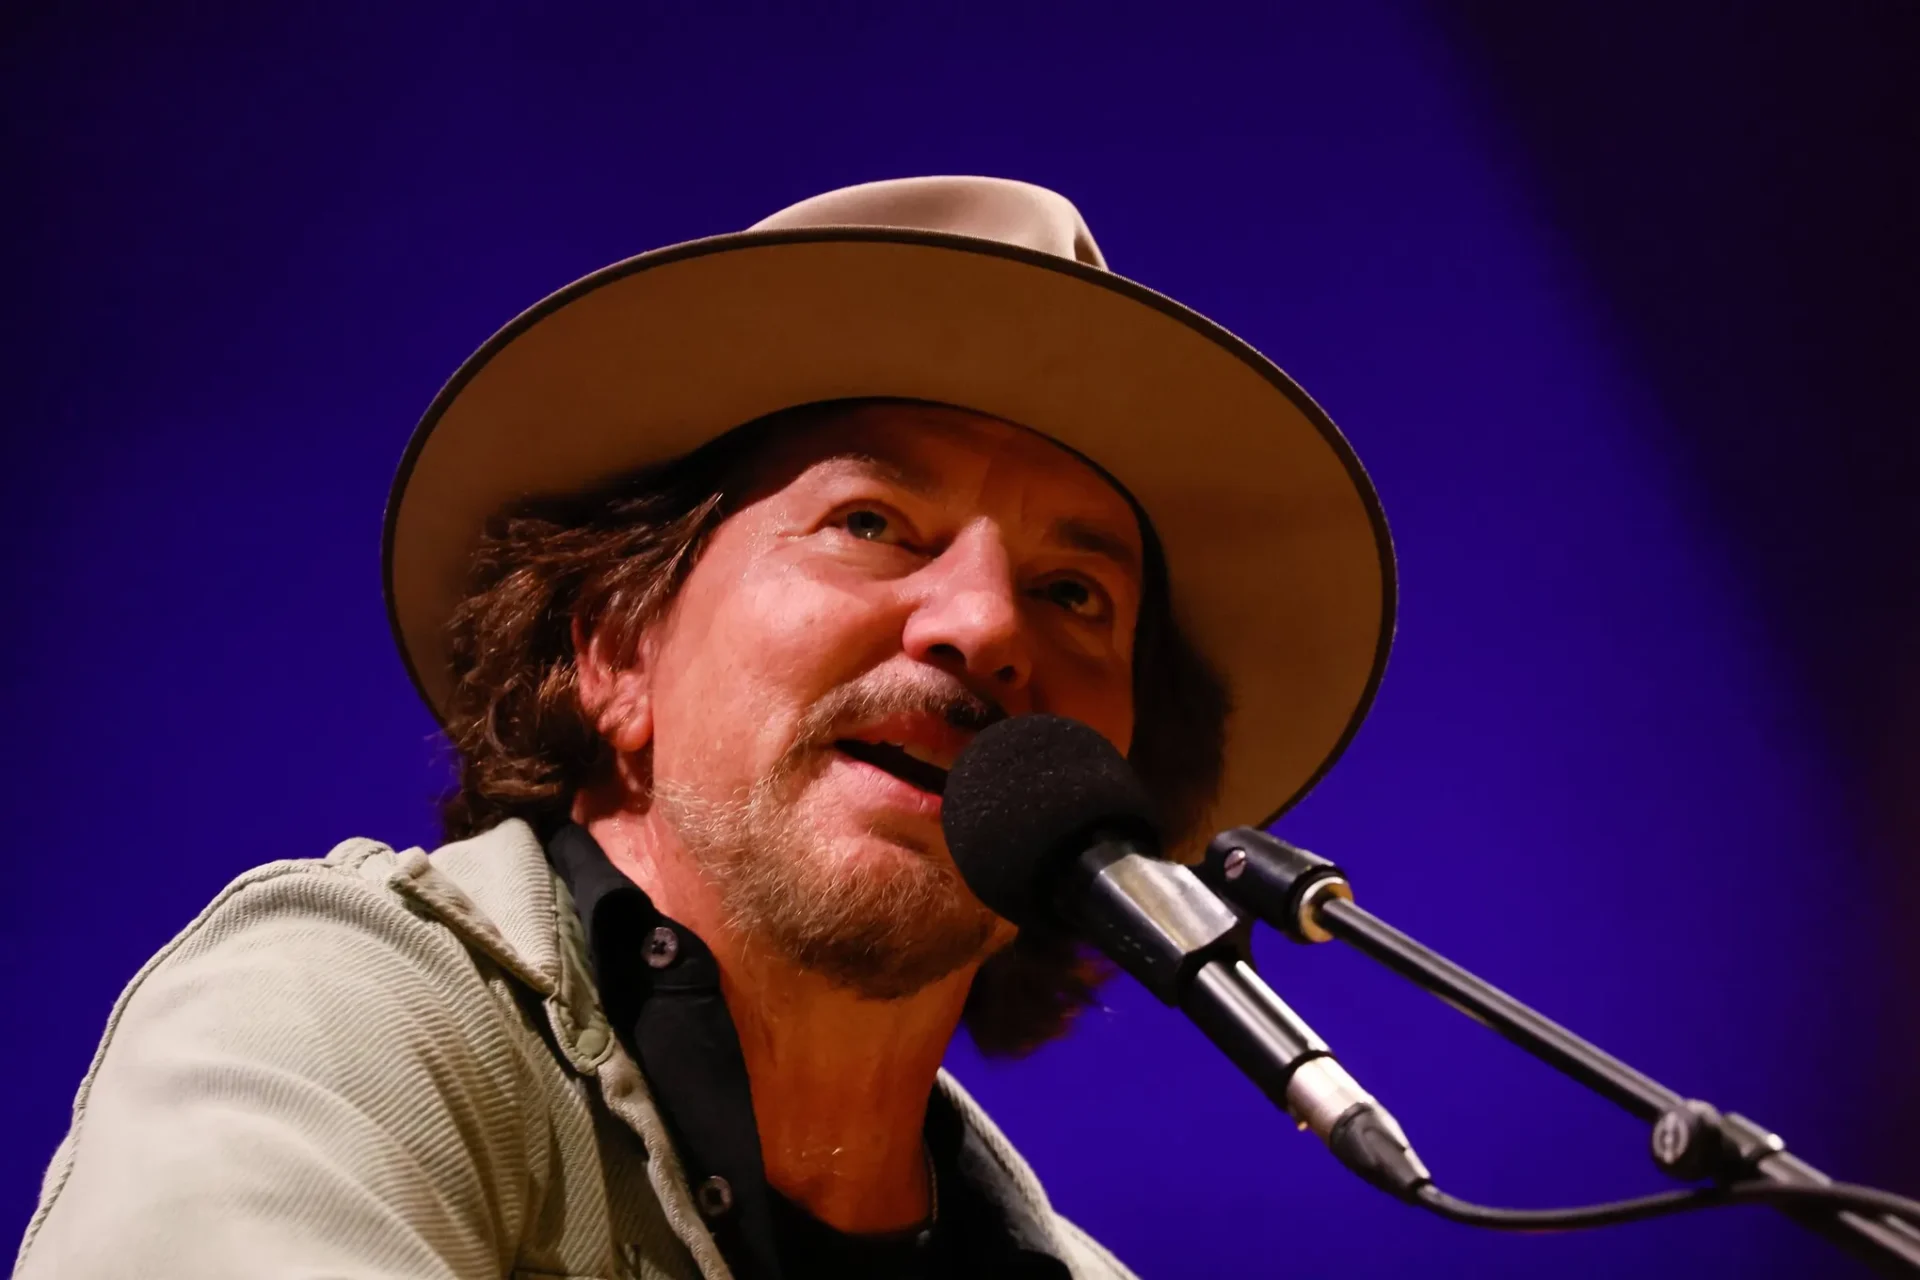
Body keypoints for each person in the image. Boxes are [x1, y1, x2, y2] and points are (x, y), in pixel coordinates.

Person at [14, 177, 1394, 1279]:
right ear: (614, 647)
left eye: (1076, 594)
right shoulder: (345, 1022)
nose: (985, 625)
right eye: (872, 522)